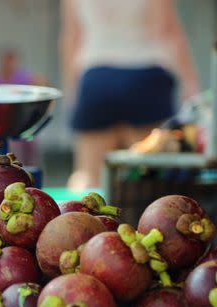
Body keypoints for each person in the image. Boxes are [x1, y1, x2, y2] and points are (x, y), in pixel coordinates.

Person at [60, 0, 200, 190]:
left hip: (96, 77)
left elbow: (72, 38)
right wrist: (191, 87)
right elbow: (168, 31)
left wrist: (72, 94)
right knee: (150, 176)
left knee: (88, 176)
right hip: (145, 77)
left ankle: (76, 220)